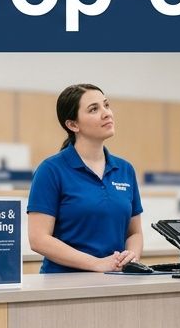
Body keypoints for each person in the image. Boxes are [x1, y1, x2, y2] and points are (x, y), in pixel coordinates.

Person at [27, 83, 145, 273]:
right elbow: (39, 239)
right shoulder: (50, 170)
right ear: (73, 125)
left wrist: (131, 256)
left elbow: (135, 233)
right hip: (63, 286)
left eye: (106, 105)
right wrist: (96, 264)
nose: (107, 113)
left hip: (116, 281)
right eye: (94, 109)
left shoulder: (125, 170)